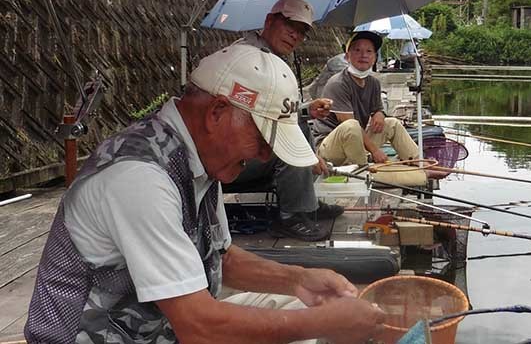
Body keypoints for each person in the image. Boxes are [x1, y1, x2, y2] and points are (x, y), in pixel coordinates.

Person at [25, 44, 384, 344]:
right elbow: (198, 326)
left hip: (161, 330)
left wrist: (299, 279)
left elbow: (222, 259)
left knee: (304, 308)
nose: (264, 157)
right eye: (262, 140)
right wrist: (325, 323)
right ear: (216, 112)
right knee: (311, 326)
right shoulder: (140, 179)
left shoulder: (199, 158)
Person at [228, 0, 343, 242]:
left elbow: (273, 110)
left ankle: (306, 203)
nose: (295, 36)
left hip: (250, 146)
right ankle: (291, 216)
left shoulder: (271, 56)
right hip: (230, 159)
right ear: (270, 21)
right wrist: (308, 156)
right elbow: (249, 117)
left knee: (299, 120)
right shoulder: (248, 59)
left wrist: (305, 109)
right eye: (290, 27)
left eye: (301, 33)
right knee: (291, 142)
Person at [313, 31, 419, 167]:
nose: (363, 55)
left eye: (369, 51)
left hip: (356, 142)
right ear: (347, 56)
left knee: (392, 123)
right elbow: (349, 124)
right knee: (352, 126)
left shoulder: (373, 82)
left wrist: (379, 114)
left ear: (375, 58)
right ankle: (363, 171)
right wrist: (375, 150)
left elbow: (377, 109)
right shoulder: (338, 84)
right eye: (357, 50)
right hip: (330, 148)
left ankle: (418, 163)